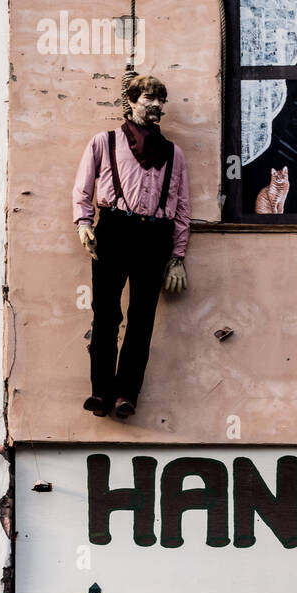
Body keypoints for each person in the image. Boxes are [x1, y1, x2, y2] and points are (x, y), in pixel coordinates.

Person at [72, 74, 191, 420]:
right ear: (132, 100)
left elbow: (182, 207)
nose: (156, 105)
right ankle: (100, 392)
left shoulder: (173, 154)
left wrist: (177, 256)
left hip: (156, 236)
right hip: (113, 230)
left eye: (161, 100)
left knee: (142, 320)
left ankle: (127, 394)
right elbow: (82, 188)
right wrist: (84, 224)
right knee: (106, 315)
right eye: (149, 98)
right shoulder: (104, 141)